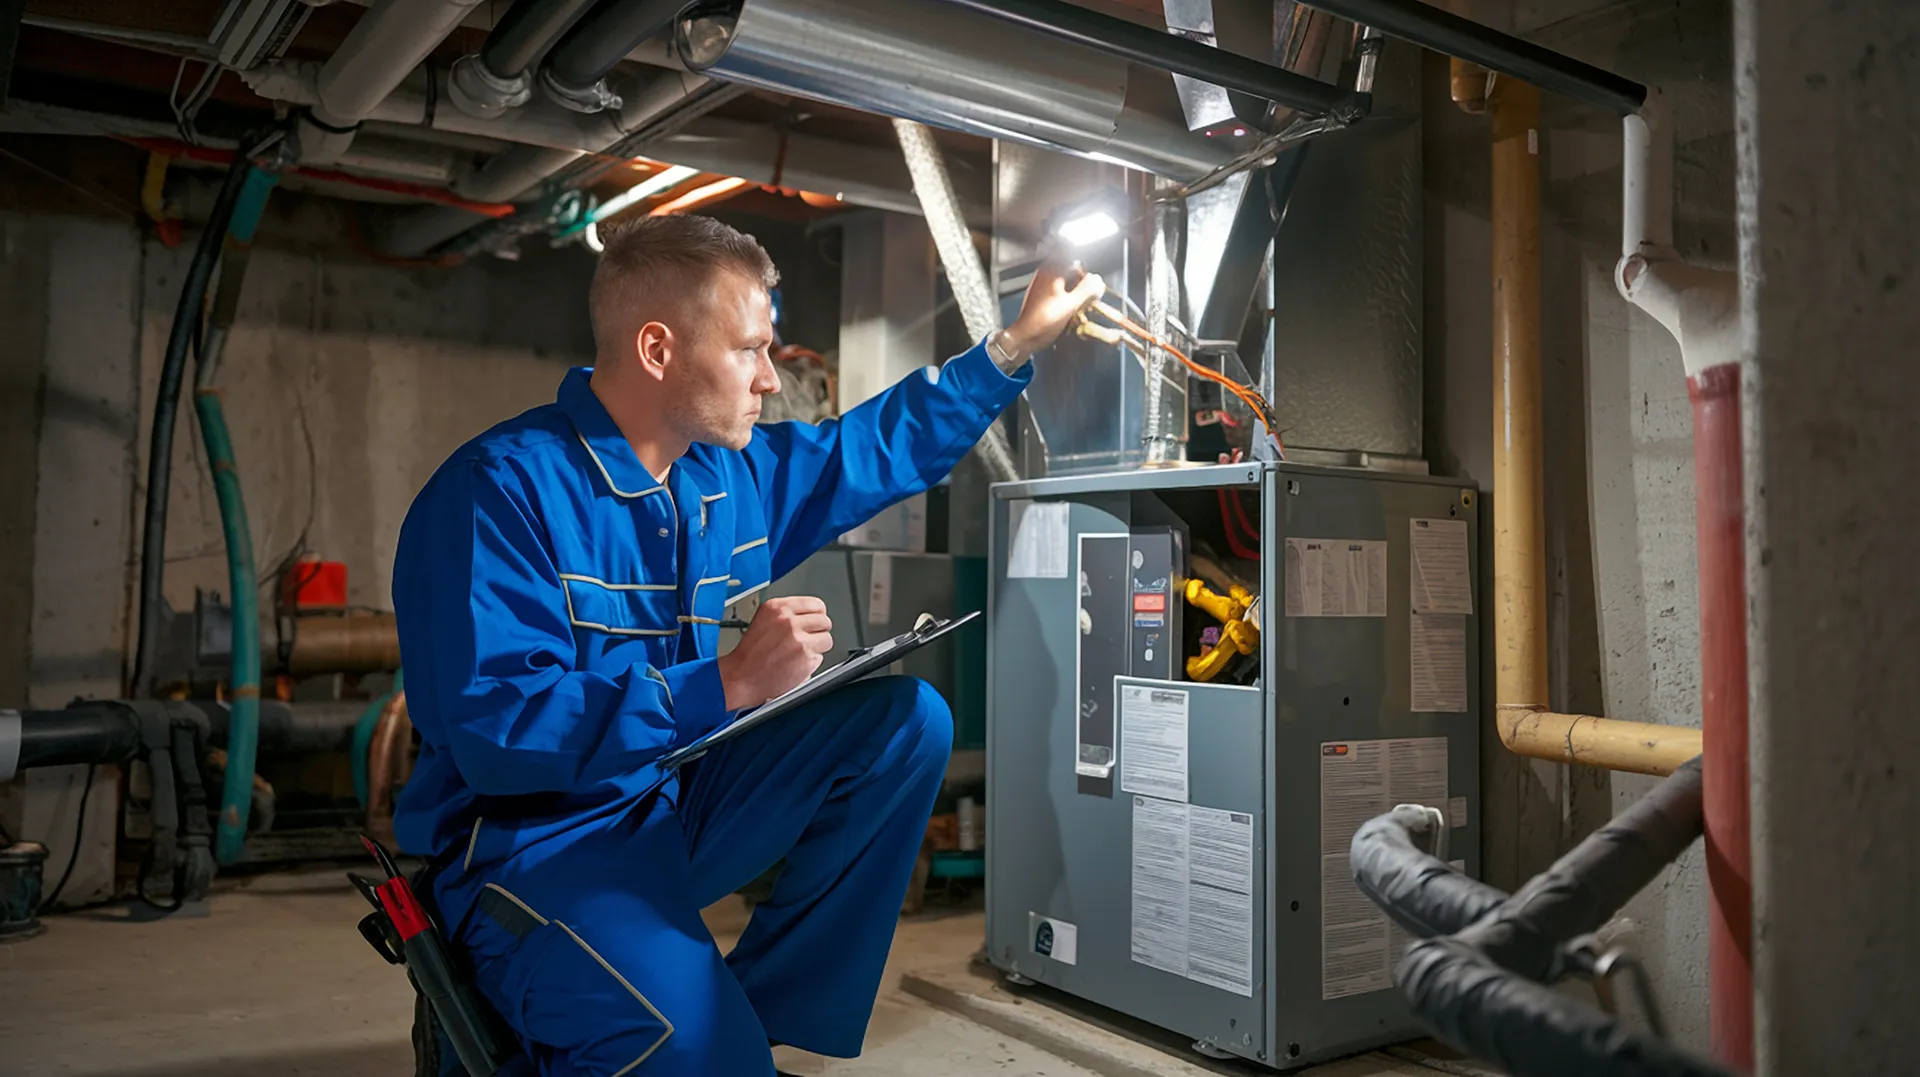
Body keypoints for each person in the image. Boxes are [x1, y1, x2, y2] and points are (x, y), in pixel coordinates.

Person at [391, 214, 1102, 1076]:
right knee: (682, 1043)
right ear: (658, 349)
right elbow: (497, 732)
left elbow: (868, 450)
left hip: (668, 802)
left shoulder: (723, 475)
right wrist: (723, 682)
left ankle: (746, 1020)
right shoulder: (499, 492)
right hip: (529, 845)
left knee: (905, 721)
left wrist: (1012, 345)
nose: (772, 377)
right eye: (749, 350)